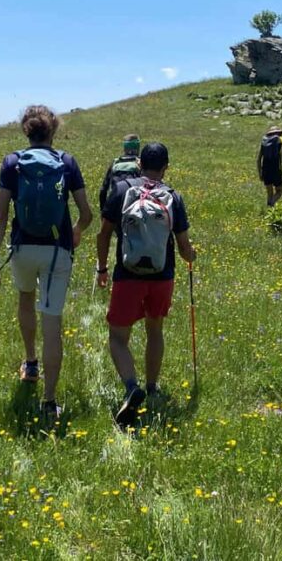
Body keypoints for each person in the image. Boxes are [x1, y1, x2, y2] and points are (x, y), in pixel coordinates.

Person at [0, 105, 92, 418]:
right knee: (52, 322)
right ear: (54, 130)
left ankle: (30, 362)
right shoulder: (67, 162)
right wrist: (76, 231)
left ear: (25, 131)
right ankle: (48, 401)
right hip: (57, 250)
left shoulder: (12, 163)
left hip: (22, 248)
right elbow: (86, 214)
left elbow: (0, 214)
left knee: (25, 300)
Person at [95, 142, 196, 429]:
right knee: (155, 330)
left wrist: (102, 268)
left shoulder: (121, 190)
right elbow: (184, 247)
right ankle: (151, 387)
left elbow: (103, 235)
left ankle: (131, 386)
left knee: (117, 337)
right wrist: (192, 256)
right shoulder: (173, 197)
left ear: (140, 164)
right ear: (166, 167)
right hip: (162, 276)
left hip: (127, 275)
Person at [98, 134, 141, 211]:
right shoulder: (140, 164)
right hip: (134, 205)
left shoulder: (115, 163)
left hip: (115, 202)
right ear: (138, 148)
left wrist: (103, 211)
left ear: (125, 149)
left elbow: (103, 190)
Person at [257, 126, 282, 207]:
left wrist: (260, 173)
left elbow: (258, 160)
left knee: (269, 193)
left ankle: (269, 210)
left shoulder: (264, 141)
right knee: (279, 191)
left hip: (265, 169)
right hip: (277, 169)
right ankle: (272, 203)